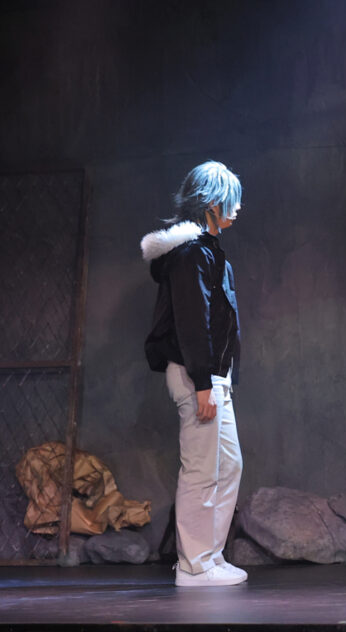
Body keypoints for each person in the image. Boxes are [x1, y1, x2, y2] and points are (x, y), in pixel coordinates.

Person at [140, 161, 247, 586]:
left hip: (211, 375)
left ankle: (210, 556)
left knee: (228, 465)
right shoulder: (191, 255)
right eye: (231, 200)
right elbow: (192, 320)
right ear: (211, 203)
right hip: (196, 375)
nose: (237, 208)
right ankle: (194, 565)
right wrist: (203, 381)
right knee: (203, 469)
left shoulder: (205, 252)